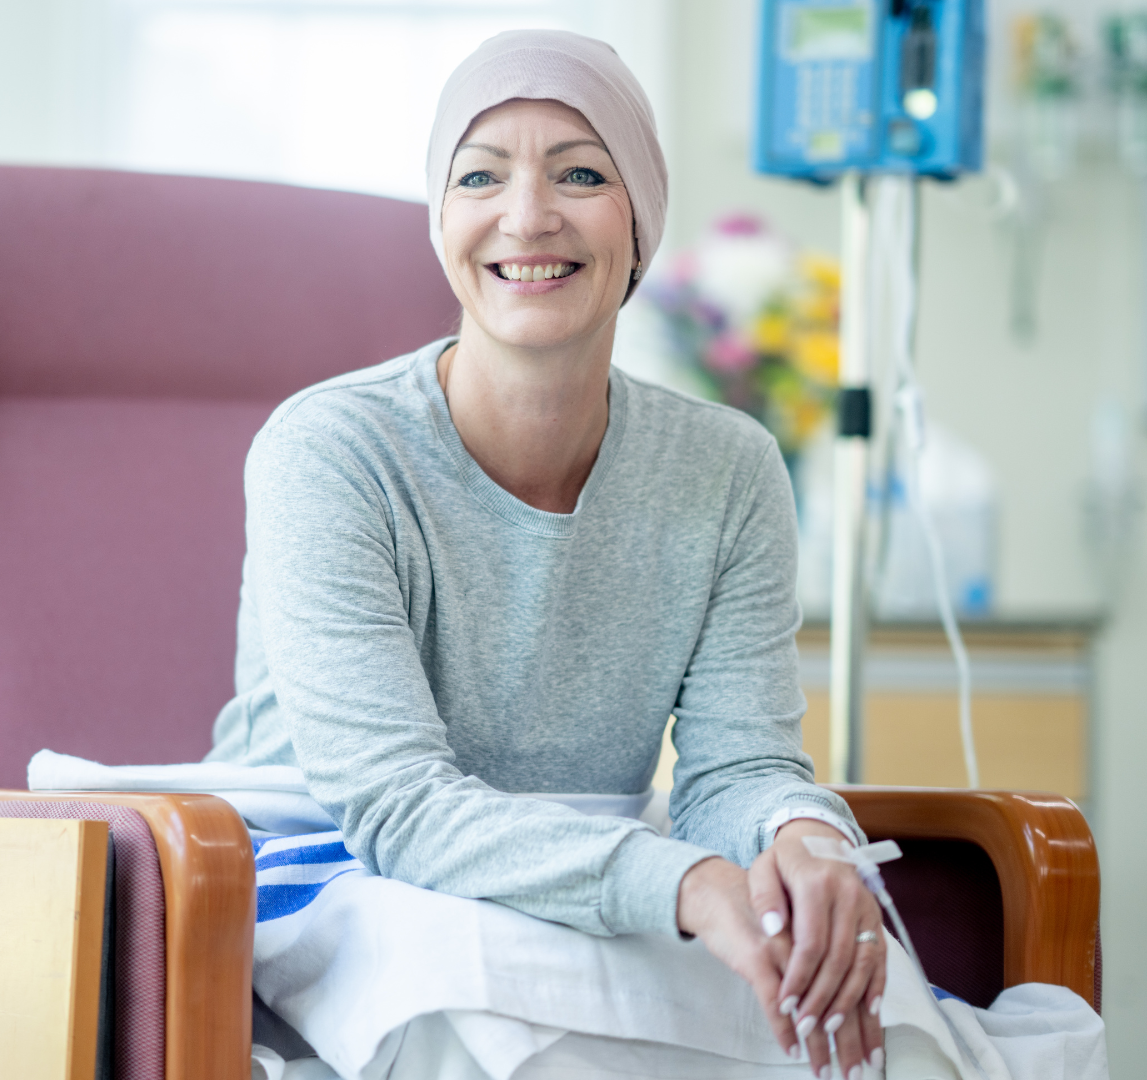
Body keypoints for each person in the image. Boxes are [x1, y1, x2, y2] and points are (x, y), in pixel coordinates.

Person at [209, 30, 886, 1080]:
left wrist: (800, 838)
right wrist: (687, 886)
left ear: (639, 223)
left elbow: (739, 770)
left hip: (573, 881)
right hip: (326, 877)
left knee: (867, 1016)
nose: (527, 216)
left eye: (579, 172)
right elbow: (393, 805)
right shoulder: (330, 452)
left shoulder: (729, 469)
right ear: (444, 223)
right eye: (481, 176)